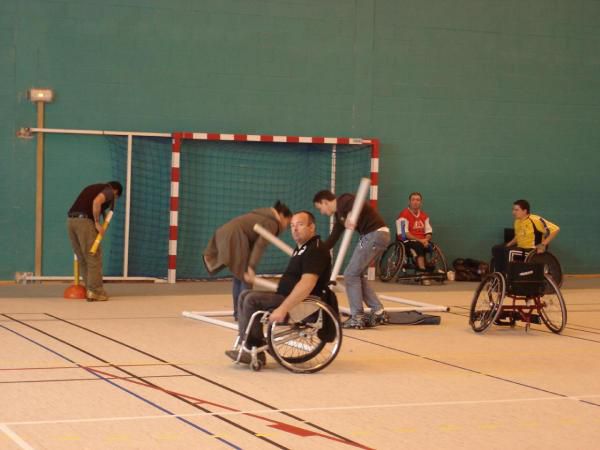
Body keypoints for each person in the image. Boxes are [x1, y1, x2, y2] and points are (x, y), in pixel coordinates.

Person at [225, 211, 335, 365]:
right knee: (245, 295)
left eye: (300, 225)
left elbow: (307, 284)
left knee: (251, 299)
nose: (295, 229)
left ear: (312, 227)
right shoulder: (302, 248)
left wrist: (283, 308)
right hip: (286, 296)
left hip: (305, 303)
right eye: (292, 225)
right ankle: (252, 348)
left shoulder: (315, 249)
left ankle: (254, 349)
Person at [313, 190, 390, 329]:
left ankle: (357, 317)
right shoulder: (339, 216)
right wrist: (316, 251)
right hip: (376, 236)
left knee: (350, 274)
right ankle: (378, 311)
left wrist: (349, 215)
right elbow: (333, 238)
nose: (322, 212)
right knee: (357, 275)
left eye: (320, 208)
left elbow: (356, 204)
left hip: (374, 234)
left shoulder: (344, 199)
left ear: (325, 201)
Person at [203, 201, 292, 320]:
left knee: (239, 277)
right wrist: (251, 266)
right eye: (288, 222)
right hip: (235, 237)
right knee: (246, 278)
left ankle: (238, 313)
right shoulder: (272, 222)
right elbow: (260, 246)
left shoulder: (262, 215)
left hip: (225, 233)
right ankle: (244, 314)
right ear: (281, 215)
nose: (286, 227)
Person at [67, 181, 123, 302]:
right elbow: (97, 202)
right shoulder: (109, 191)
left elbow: (95, 203)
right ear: (116, 192)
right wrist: (97, 223)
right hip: (84, 222)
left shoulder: (92, 187)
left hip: (71, 221)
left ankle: (90, 289)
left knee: (83, 258)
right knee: (93, 257)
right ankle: (96, 291)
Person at [491, 199, 560, 273]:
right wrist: (508, 244)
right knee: (497, 248)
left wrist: (542, 245)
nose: (513, 212)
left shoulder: (535, 220)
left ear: (525, 211)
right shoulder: (517, 221)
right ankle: (499, 273)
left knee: (507, 251)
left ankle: (507, 274)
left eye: (516, 210)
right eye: (513, 210)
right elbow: (518, 236)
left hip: (531, 251)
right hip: (521, 248)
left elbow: (555, 229)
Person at [395, 192, 433, 273]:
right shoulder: (403, 215)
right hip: (406, 241)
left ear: (421, 202)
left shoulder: (424, 216)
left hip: (422, 241)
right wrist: (421, 241)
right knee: (418, 246)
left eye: (418, 200)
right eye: (413, 200)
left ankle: (430, 266)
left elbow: (429, 232)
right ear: (409, 202)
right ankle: (422, 270)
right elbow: (404, 234)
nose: (415, 202)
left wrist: (426, 240)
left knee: (431, 246)